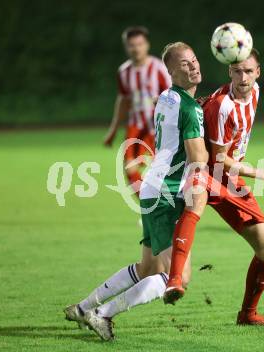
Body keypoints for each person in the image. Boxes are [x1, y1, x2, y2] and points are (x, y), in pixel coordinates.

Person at [64, 42, 208, 341]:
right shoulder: (189, 108)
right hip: (166, 194)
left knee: (148, 268)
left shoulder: (167, 98)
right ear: (170, 71)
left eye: (194, 60)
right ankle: (101, 315)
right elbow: (198, 157)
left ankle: (83, 307)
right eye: (184, 64)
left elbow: (179, 114)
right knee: (178, 275)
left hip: (152, 188)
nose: (193, 66)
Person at [164, 49, 264, 327]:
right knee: (195, 205)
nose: (243, 77)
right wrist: (262, 174)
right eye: (237, 71)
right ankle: (174, 280)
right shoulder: (223, 106)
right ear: (229, 72)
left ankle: (248, 314)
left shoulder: (255, 93)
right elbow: (219, 158)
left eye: (248, 71)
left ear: (258, 73)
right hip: (204, 168)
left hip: (230, 177)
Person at [103, 26, 171, 195]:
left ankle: (162, 211)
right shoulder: (124, 71)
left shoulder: (159, 68)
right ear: (126, 47)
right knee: (130, 170)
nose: (136, 48)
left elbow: (173, 97)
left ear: (147, 45)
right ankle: (152, 211)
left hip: (158, 127)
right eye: (131, 45)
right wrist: (113, 129)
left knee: (163, 173)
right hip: (135, 126)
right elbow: (124, 100)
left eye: (139, 44)